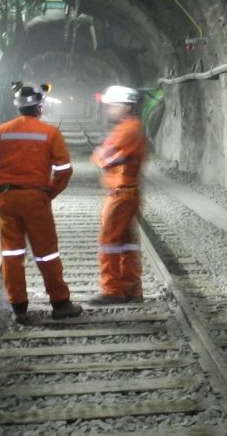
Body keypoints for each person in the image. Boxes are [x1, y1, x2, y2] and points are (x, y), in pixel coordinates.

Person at [0, 81, 83, 323]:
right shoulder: (50, 133)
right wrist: (50, 193)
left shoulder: (2, 131)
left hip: (7, 198)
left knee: (12, 252)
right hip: (36, 198)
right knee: (47, 253)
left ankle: (18, 308)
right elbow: (64, 170)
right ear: (40, 107)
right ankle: (60, 303)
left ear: (17, 106)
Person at [90, 85, 148, 304]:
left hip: (121, 192)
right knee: (126, 242)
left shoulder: (128, 130)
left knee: (109, 240)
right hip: (125, 191)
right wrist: (102, 153)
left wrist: (99, 154)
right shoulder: (128, 127)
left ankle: (111, 290)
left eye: (113, 105)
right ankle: (132, 290)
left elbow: (105, 158)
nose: (109, 110)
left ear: (126, 106)